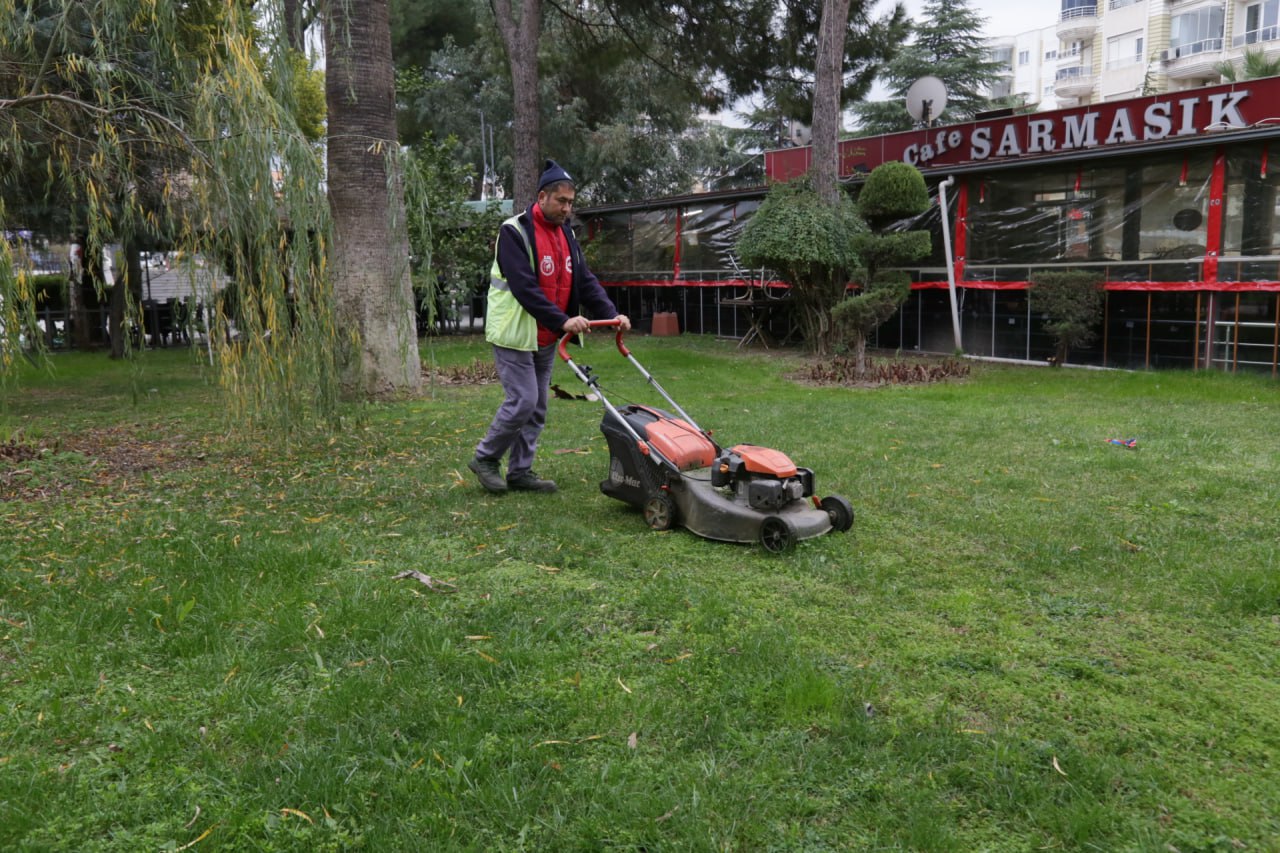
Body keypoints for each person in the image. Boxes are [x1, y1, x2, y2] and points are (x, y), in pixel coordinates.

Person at [468, 160, 630, 494]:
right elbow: (525, 287)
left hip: (545, 335)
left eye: (571, 203)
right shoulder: (514, 232)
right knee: (524, 400)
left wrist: (612, 315)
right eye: (562, 201)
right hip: (515, 332)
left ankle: (520, 472)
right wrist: (562, 320)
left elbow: (584, 281)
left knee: (538, 405)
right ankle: (485, 458)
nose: (568, 208)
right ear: (542, 197)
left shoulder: (567, 234)